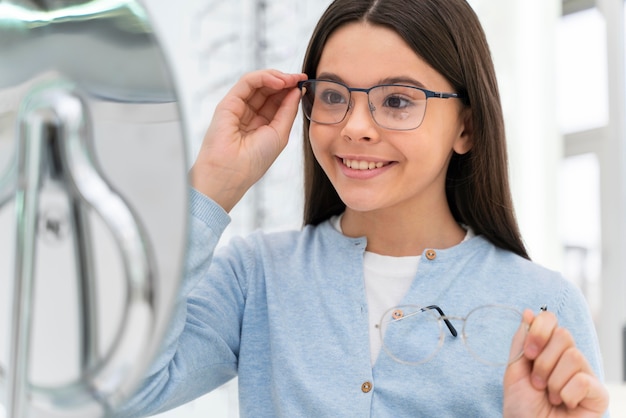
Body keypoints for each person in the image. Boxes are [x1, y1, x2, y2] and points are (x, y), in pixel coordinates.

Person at [116, 0, 610, 416]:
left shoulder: (544, 306)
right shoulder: (255, 278)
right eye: (333, 96)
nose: (355, 127)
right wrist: (211, 185)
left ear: (467, 128)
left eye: (397, 101)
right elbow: (119, 388)